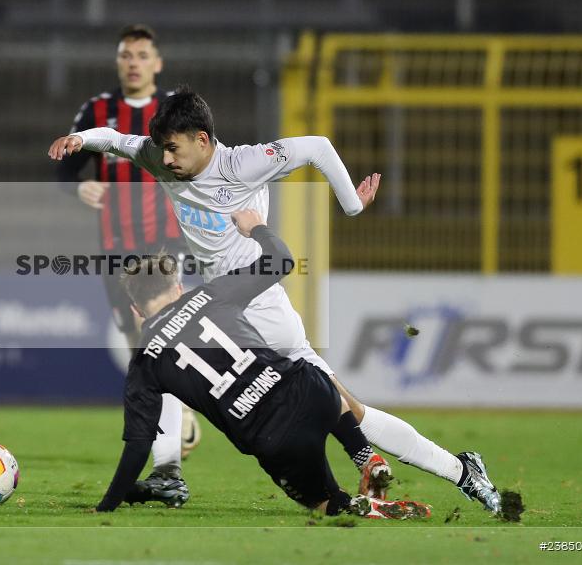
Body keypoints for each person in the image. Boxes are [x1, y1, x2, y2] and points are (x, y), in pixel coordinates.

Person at [48, 89, 503, 515]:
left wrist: (352, 207)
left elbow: (319, 147)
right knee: (179, 365)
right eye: (162, 149)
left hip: (257, 300)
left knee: (345, 409)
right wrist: (80, 139)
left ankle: (450, 469)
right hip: (221, 303)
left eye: (173, 149)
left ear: (202, 140)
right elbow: (114, 140)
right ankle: (178, 471)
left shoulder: (243, 163)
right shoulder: (158, 155)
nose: (164, 160)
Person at [97, 210, 496, 517]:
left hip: (259, 391)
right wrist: (267, 225)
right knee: (336, 397)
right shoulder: (243, 175)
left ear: (135, 309)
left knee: (322, 502)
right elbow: (283, 251)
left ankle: (170, 472)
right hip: (268, 330)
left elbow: (137, 443)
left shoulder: (145, 358)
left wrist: (108, 505)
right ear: (178, 286)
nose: (171, 160)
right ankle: (381, 458)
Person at [55, 25, 198, 506]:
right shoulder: (96, 111)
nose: (133, 62)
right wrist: (77, 186)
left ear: (157, 63)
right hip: (115, 251)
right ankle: (175, 423)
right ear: (118, 63)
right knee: (144, 348)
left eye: (142, 55)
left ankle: (168, 467)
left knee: (160, 346)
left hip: (164, 243)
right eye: (125, 55)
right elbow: (64, 165)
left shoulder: (173, 111)